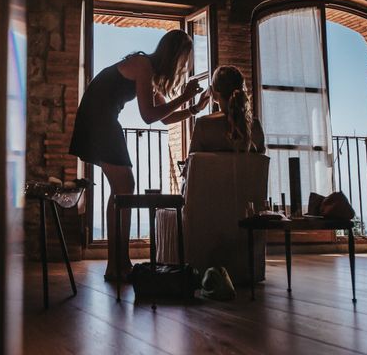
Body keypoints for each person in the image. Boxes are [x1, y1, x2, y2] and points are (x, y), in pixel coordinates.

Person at [69, 29, 210, 281]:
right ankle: (116, 265)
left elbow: (164, 118)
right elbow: (148, 116)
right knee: (124, 189)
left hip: (101, 120)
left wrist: (194, 108)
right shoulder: (143, 64)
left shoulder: (149, 72)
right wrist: (185, 96)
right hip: (99, 121)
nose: (185, 65)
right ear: (175, 54)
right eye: (185, 58)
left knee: (123, 189)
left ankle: (120, 262)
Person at [188, 65, 265, 155]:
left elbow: (193, 165)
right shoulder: (255, 126)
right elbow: (260, 165)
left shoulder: (203, 124)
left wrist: (196, 107)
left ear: (214, 92)